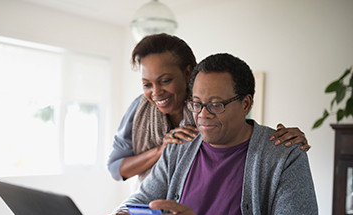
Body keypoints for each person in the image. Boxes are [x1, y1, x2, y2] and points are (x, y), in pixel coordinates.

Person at [94, 53, 321, 215]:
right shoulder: (179, 147)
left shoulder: (284, 156)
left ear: (245, 104)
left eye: (215, 104)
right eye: (196, 103)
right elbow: (146, 204)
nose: (202, 115)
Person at [107, 33, 311, 183]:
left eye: (165, 80)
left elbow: (239, 135)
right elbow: (116, 169)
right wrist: (161, 151)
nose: (156, 92)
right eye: (147, 84)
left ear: (188, 74)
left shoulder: (208, 117)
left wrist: (283, 143)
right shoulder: (140, 109)